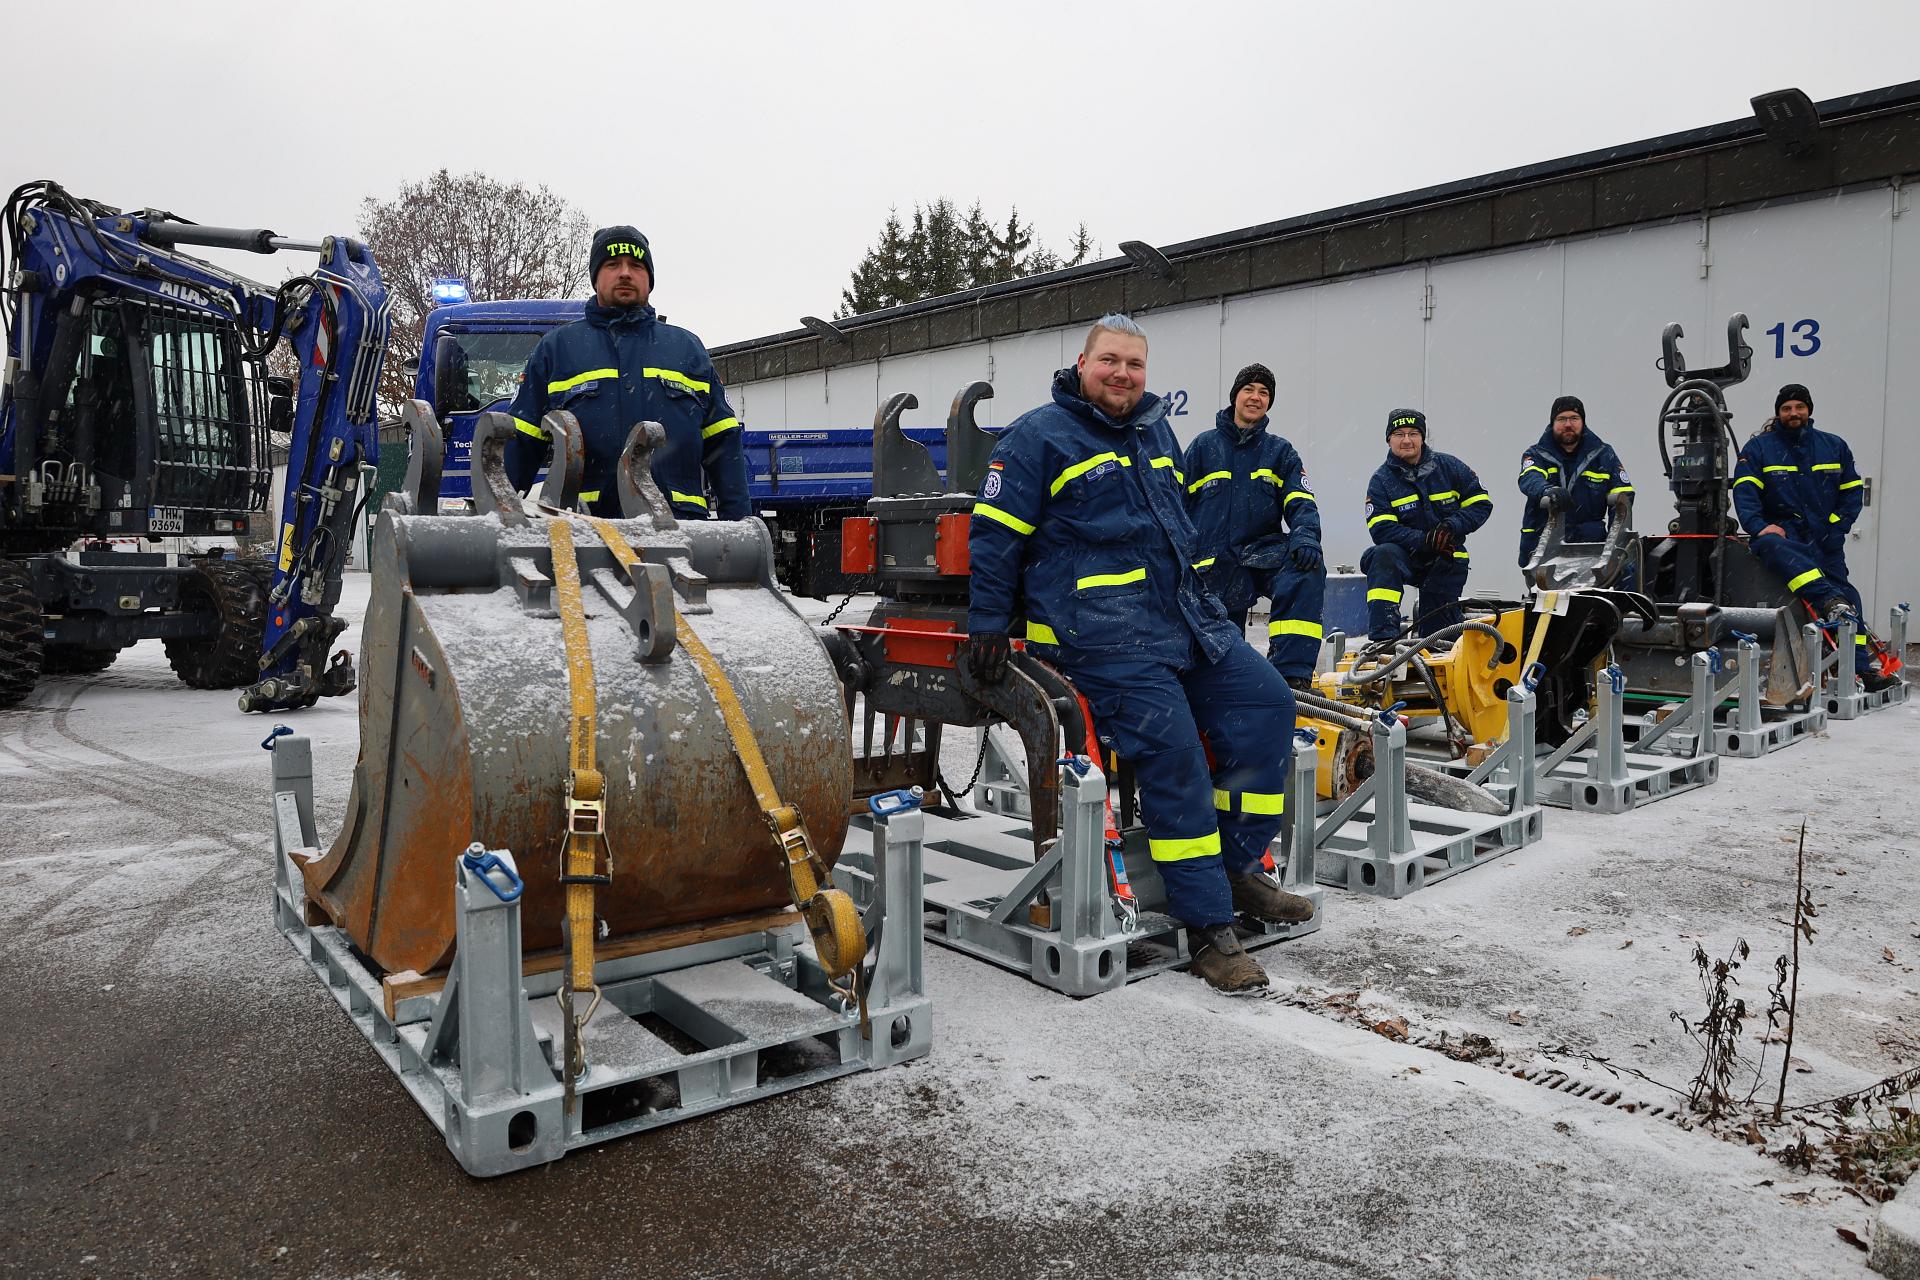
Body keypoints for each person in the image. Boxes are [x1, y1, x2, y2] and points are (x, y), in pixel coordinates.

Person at [963, 315, 1311, 993]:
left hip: (1184, 622)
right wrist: (987, 623)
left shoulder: (1156, 428)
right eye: (1110, 362)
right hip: (1098, 637)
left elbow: (1174, 524)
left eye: (1135, 365)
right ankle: (1209, 928)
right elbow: (995, 535)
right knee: (1176, 755)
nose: (1123, 375)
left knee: (1268, 707)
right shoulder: (1036, 437)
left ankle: (1237, 869)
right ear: (1083, 363)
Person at [505, 226, 747, 519]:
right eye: (612, 264)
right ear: (595, 277)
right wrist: (498, 528)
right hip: (585, 534)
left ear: (649, 279)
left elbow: (724, 447)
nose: (624, 273)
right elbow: (518, 447)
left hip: (681, 535)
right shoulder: (556, 350)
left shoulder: (687, 349)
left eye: (635, 265)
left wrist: (739, 530)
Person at [1732, 383, 1897, 692]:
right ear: (1778, 413)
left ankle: (1860, 670)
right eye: (1786, 408)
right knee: (1769, 545)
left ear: (1808, 410)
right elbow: (1745, 492)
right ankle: (1827, 599)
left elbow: (1851, 493)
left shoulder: (1833, 446)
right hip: (1785, 539)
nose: (1793, 413)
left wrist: (1836, 528)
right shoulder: (1759, 449)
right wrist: (1759, 526)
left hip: (1825, 540)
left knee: (1851, 600)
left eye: (1798, 407)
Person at [1182, 363, 1326, 689]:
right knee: (1219, 666)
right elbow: (1176, 508)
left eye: (1264, 393)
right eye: (1249, 390)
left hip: (1260, 556)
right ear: (1235, 396)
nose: (1256, 397)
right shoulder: (1202, 449)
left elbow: (1301, 501)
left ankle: (1290, 676)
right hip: (1212, 565)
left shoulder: (1280, 453)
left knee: (1305, 565)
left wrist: (1306, 536)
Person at [1361, 409, 1492, 641]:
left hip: (1447, 558)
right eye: (1399, 434)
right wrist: (1424, 540)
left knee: (1438, 638)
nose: (1407, 440)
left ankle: (1438, 638)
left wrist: (1452, 526)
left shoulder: (1450, 467)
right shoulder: (1381, 481)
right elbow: (1381, 529)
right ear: (1388, 439)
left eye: (1413, 433)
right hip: (1407, 556)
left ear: (1423, 437)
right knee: (1382, 555)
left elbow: (1481, 504)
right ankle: (1383, 640)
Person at [1515, 395, 1634, 568]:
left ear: (1583, 422)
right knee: (1544, 596)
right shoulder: (1535, 454)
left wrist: (1614, 544)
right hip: (1543, 547)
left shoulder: (1603, 455)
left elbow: (1623, 495)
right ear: (1552, 423)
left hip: (1590, 549)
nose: (1568, 424)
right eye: (1562, 419)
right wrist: (1548, 490)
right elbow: (1529, 478)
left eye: (1574, 418)